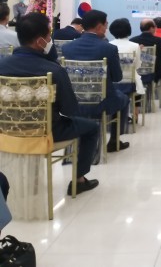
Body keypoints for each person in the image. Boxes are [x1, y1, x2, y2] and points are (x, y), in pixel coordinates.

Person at [0, 13, 100, 194]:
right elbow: (69, 110)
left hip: (7, 130)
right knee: (92, 128)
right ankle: (79, 179)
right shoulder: (53, 70)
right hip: (46, 131)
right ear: (40, 41)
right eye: (48, 37)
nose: (50, 41)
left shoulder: (2, 65)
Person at [61, 10, 131, 152]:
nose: (106, 28)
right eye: (106, 25)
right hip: (101, 101)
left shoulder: (67, 48)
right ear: (99, 26)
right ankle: (114, 140)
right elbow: (117, 78)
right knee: (124, 99)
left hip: (74, 101)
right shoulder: (109, 48)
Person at [130, 19, 161, 107]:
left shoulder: (133, 40)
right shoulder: (159, 41)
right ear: (151, 28)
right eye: (154, 27)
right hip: (155, 72)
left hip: (137, 73)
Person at [109, 18, 145, 98]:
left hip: (112, 83)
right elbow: (138, 66)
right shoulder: (135, 46)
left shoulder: (108, 45)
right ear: (129, 30)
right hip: (129, 82)